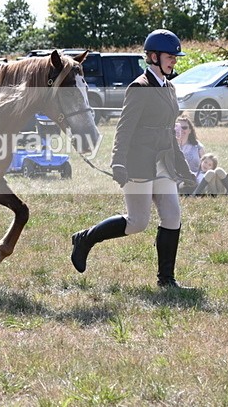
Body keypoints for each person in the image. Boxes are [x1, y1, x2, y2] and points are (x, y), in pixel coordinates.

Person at [70, 29, 197, 289]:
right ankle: (85, 239)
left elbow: (169, 131)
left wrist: (183, 167)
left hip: (163, 162)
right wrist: (118, 161)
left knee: (172, 216)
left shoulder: (169, 87)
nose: (174, 61)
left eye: (175, 57)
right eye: (170, 56)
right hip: (139, 160)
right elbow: (124, 128)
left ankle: (167, 280)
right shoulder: (138, 87)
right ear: (153, 57)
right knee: (138, 222)